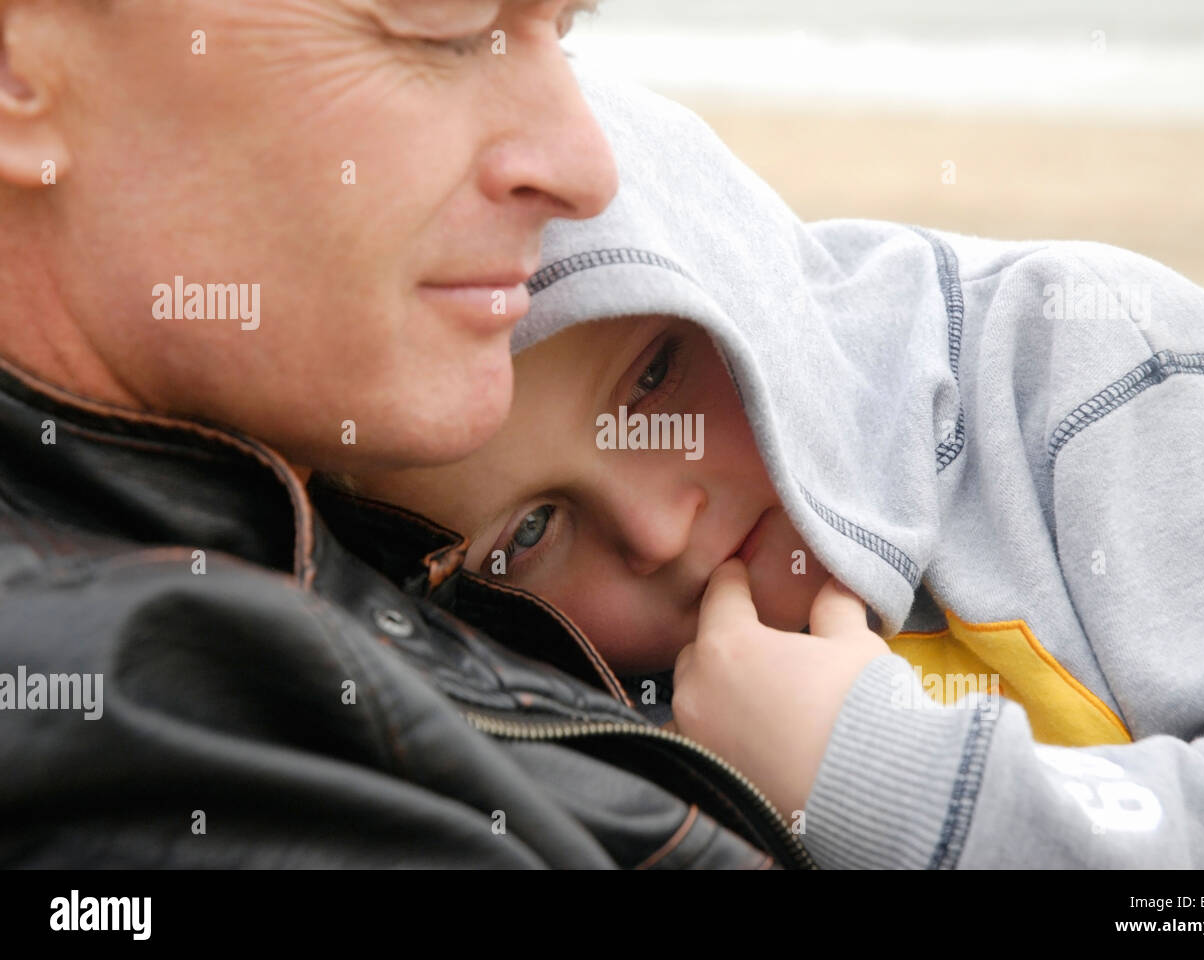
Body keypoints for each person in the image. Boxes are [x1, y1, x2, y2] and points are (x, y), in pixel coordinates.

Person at [344, 69, 1204, 867]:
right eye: (532, 529)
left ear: (744, 277)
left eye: (651, 378)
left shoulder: (1082, 366)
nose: (655, 530)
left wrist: (882, 776)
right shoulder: (597, 714)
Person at [0, 0, 806, 869]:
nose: (586, 166)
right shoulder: (124, 740)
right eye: (442, 29)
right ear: (20, 64)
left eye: (563, 27)